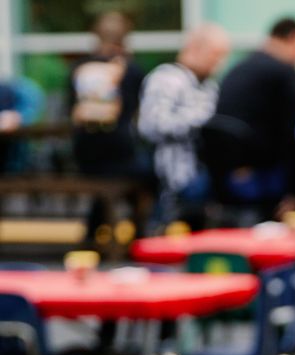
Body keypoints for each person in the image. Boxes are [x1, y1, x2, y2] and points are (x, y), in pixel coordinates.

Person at [210, 16, 295, 216]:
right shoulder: (285, 73)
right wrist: (294, 192)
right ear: (294, 38)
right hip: (261, 179)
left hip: (226, 177)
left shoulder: (239, 68)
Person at [138, 23, 231, 226]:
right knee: (168, 229)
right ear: (195, 48)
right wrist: (199, 122)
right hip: (172, 176)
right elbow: (151, 126)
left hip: (205, 174)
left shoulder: (209, 85)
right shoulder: (167, 78)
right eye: (216, 55)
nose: (220, 63)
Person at [68, 12, 146, 181]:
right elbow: (138, 109)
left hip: (84, 150)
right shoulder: (131, 69)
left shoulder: (79, 67)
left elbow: (71, 107)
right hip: (120, 150)